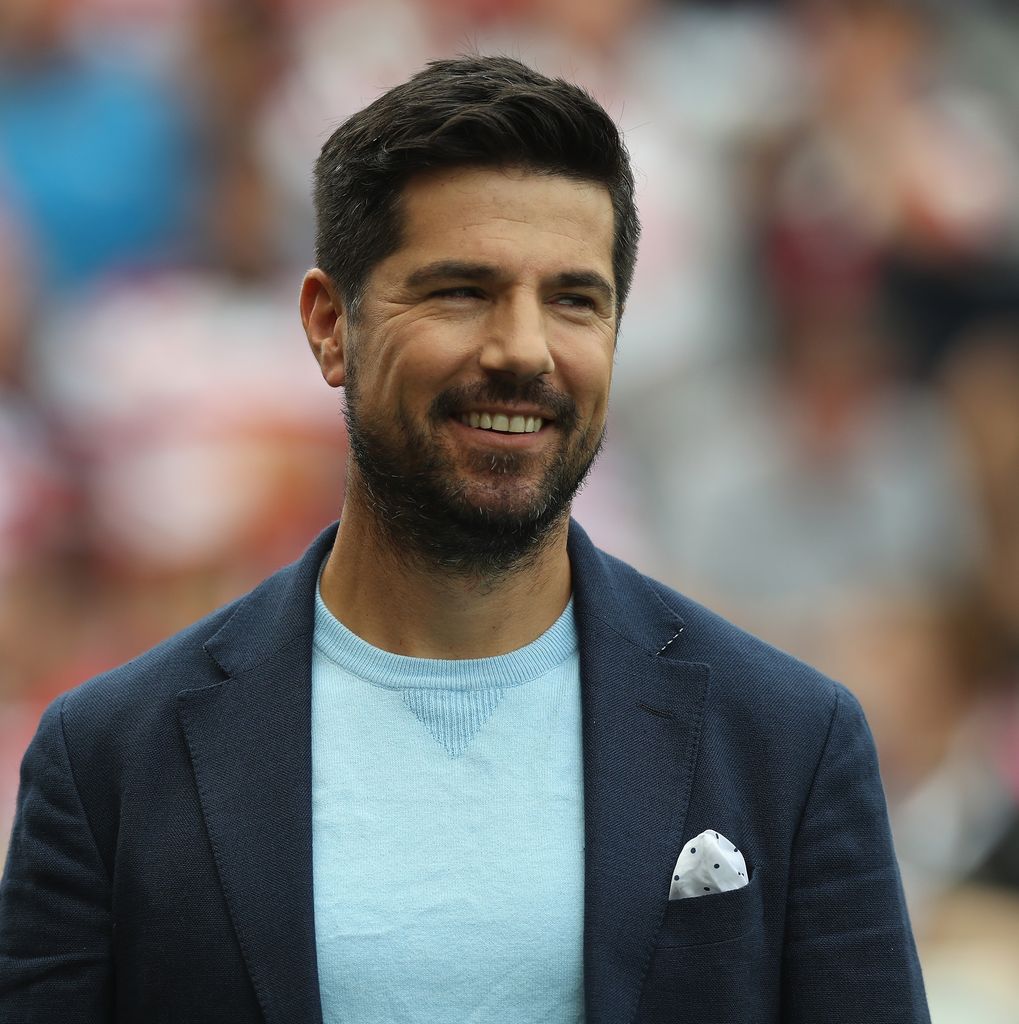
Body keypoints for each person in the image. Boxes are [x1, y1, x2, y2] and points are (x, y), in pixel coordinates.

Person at [0, 56, 929, 1023]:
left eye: (574, 299)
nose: (523, 349)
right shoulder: (108, 760)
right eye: (460, 291)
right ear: (328, 326)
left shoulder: (788, 740)